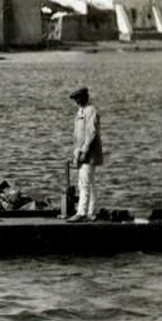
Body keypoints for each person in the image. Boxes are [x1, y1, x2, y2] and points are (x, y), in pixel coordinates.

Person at [68, 87, 103, 222]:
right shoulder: (80, 111)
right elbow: (78, 135)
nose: (76, 101)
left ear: (85, 98)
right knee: (90, 183)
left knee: (84, 183)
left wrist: (84, 151)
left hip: (89, 154)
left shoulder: (90, 111)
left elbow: (91, 133)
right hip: (82, 152)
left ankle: (82, 213)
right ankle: (92, 212)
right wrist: (76, 152)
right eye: (75, 99)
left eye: (78, 98)